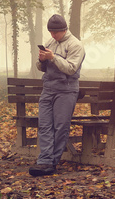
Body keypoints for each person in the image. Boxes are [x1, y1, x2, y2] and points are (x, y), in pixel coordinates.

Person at [29, 14, 85, 177]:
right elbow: (41, 68)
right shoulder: (49, 43)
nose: (53, 35)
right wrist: (42, 60)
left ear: (64, 29)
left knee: (60, 127)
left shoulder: (76, 45)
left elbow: (71, 69)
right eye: (51, 32)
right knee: (44, 125)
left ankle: (52, 162)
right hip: (48, 89)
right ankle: (44, 161)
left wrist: (53, 57)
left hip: (66, 90)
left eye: (56, 32)